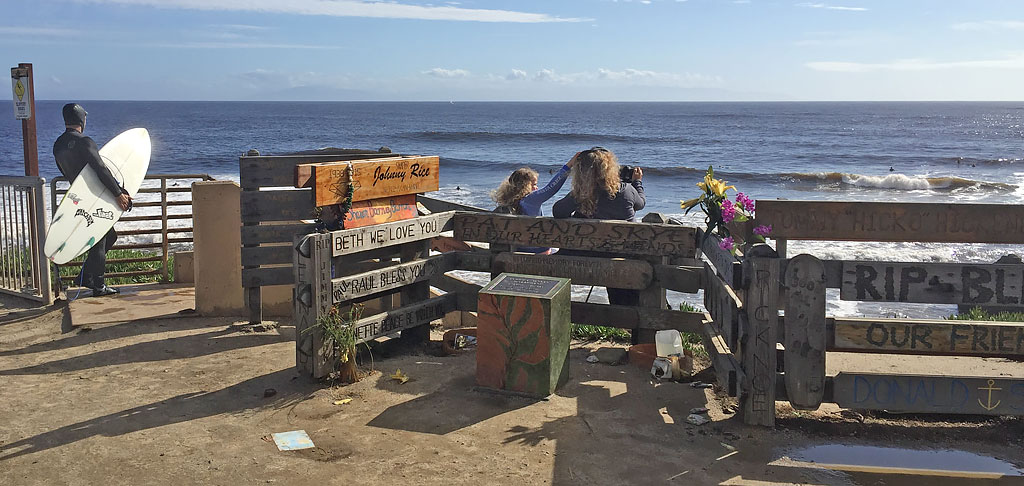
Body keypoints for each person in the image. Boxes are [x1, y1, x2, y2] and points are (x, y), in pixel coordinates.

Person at [53, 103, 132, 297]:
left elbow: (63, 171)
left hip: (78, 198)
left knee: (109, 236)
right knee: (100, 239)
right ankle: (99, 286)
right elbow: (100, 169)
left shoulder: (58, 145)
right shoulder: (85, 142)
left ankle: (84, 277)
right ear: (82, 120)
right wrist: (118, 193)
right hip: (94, 197)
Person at [552, 146, 644, 305]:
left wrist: (579, 192)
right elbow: (640, 204)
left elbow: (558, 211)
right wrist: (637, 183)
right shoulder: (626, 190)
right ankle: (627, 319)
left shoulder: (581, 194)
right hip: (620, 260)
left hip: (583, 260)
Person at [490, 154, 575, 253]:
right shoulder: (531, 199)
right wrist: (569, 165)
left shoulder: (508, 201)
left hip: (518, 249)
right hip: (537, 252)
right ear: (525, 185)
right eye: (534, 184)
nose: (536, 188)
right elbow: (551, 188)